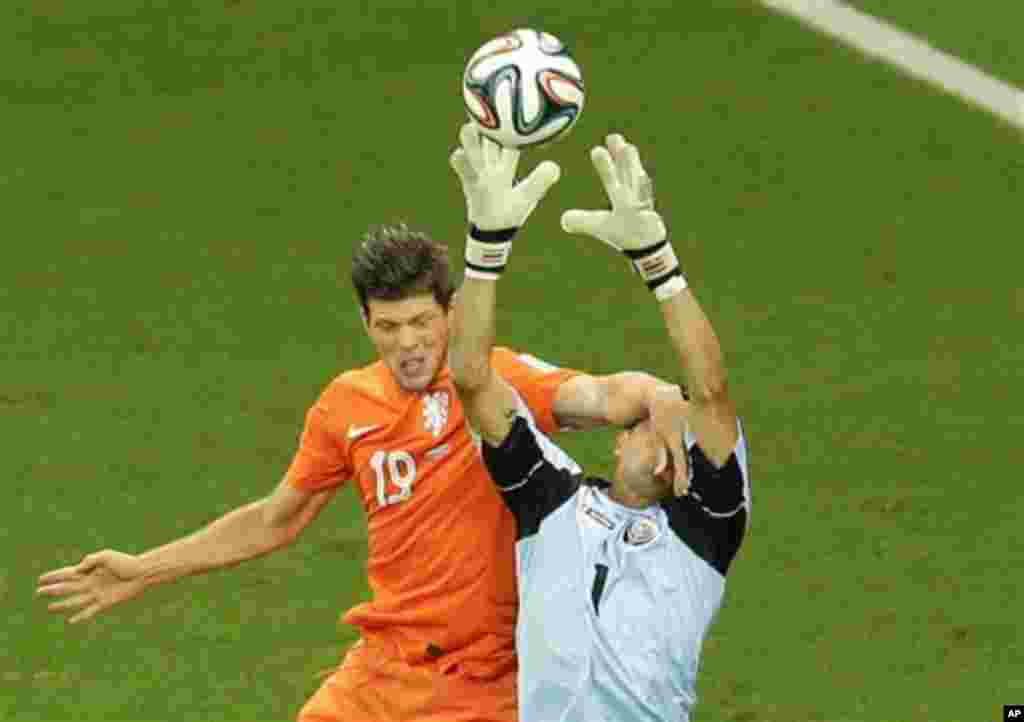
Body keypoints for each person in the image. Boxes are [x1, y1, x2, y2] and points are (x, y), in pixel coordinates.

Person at [36, 123, 687, 722]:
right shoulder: (345, 406)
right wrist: (145, 568)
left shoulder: (496, 383)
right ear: (366, 325)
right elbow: (276, 518)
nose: (408, 344)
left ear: (451, 316)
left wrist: (658, 392)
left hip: (482, 686)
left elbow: (599, 395)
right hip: (377, 676)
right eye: (389, 327)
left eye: (421, 323)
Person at [448, 128, 751, 722]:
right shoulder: (550, 498)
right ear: (616, 442)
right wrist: (486, 248)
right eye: (652, 425)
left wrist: (659, 263)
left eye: (681, 438)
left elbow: (711, 392)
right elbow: (472, 379)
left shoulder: (706, 530)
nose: (669, 439)